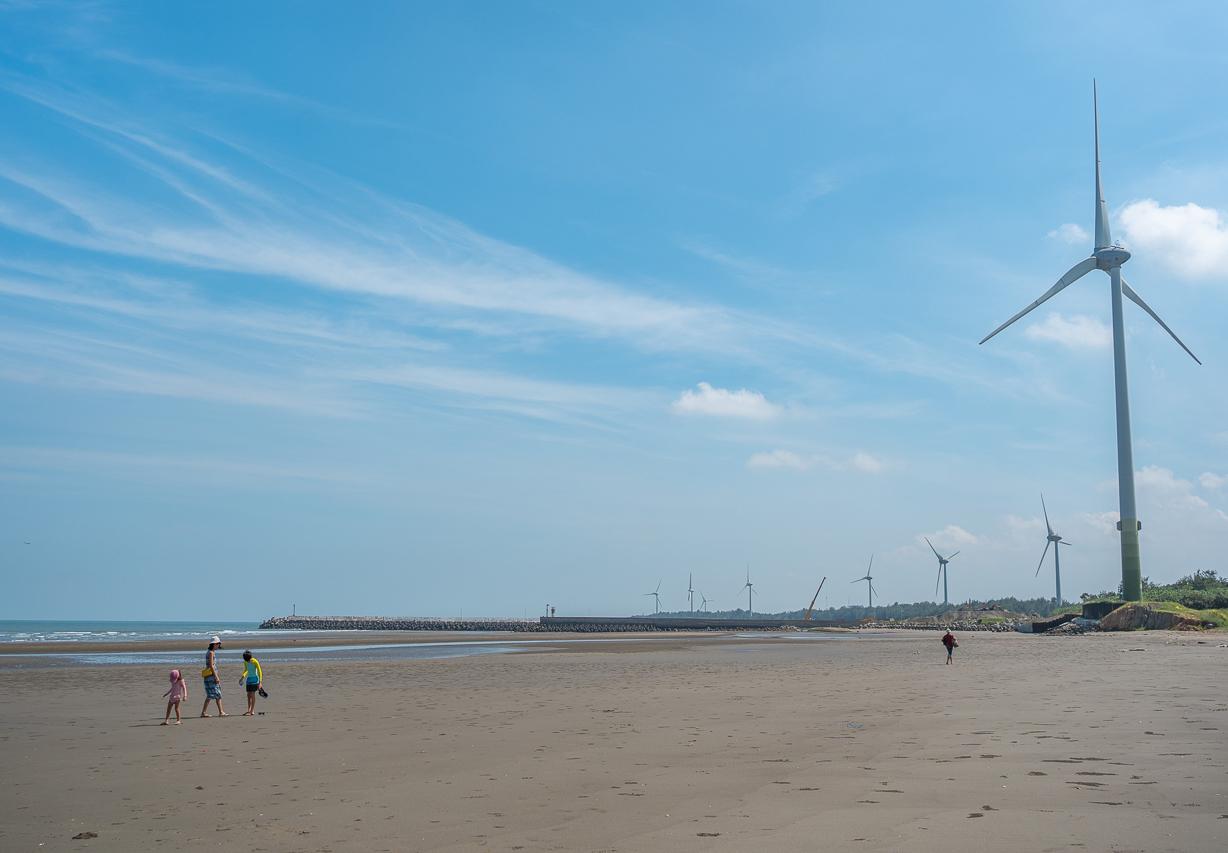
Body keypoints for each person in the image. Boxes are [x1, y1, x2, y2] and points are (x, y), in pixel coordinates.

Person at [200, 635, 227, 717]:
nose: (219, 645)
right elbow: (211, 666)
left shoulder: (209, 652)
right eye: (218, 644)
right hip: (211, 676)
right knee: (216, 694)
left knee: (212, 695)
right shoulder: (211, 653)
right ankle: (220, 712)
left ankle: (206, 712)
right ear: (214, 644)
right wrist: (216, 677)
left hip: (208, 676)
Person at [239, 650, 263, 716]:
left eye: (248, 660)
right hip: (249, 680)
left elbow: (259, 671)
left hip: (255, 680)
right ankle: (249, 710)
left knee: (252, 694)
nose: (247, 661)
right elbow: (246, 670)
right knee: (248, 695)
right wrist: (242, 677)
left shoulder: (255, 661)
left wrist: (260, 682)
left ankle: (252, 711)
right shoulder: (245, 662)